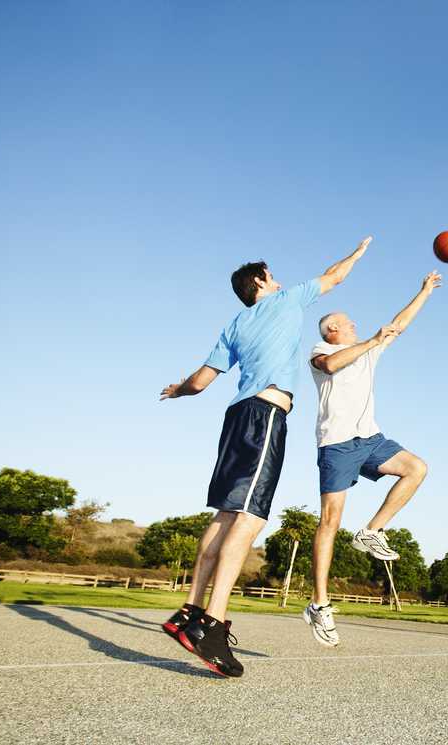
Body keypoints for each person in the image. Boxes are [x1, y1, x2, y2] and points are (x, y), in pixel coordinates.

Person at [158, 236, 372, 676]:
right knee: (250, 518)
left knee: (224, 514)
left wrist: (176, 389)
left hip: (236, 416)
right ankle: (212, 626)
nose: (278, 281)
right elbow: (333, 276)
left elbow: (199, 382)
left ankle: (189, 613)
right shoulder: (286, 302)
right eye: (272, 276)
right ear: (260, 281)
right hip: (266, 415)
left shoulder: (235, 324)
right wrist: (357, 253)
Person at [303, 271, 441, 646]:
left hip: (370, 439)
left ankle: (372, 530)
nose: (355, 325)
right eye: (349, 323)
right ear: (333, 328)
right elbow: (331, 367)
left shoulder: (367, 348)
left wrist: (423, 291)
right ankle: (319, 604)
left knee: (416, 468)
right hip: (336, 445)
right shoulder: (321, 350)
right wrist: (371, 341)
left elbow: (398, 325)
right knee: (329, 521)